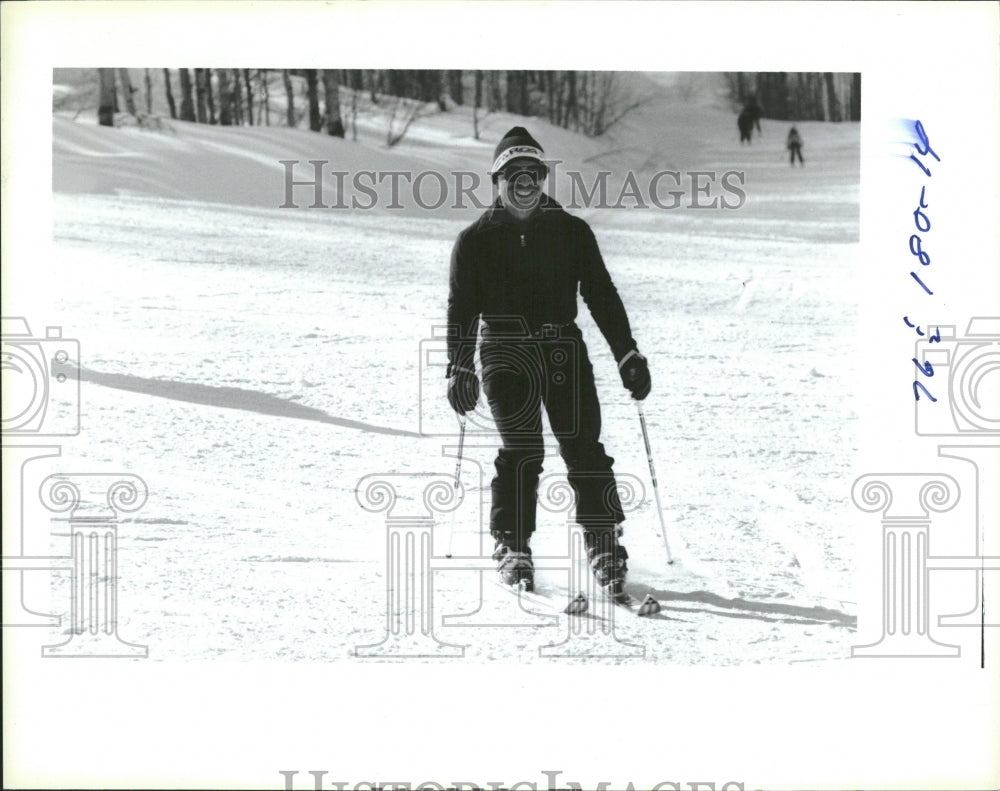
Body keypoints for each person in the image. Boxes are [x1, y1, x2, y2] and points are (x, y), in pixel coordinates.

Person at [445, 126, 651, 601]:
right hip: (504, 350)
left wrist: (627, 353)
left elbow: (601, 294)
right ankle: (513, 546)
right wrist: (458, 367)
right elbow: (461, 309)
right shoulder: (473, 241)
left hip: (563, 351)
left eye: (533, 173)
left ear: (543, 178)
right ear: (497, 179)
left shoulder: (572, 232)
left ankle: (604, 543)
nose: (525, 183)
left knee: (584, 448)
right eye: (514, 174)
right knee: (522, 451)